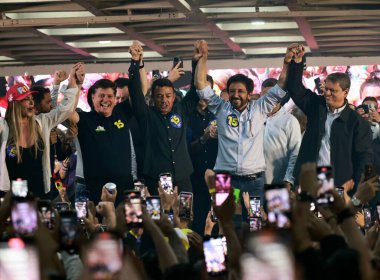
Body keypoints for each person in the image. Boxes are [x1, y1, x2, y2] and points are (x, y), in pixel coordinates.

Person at [194, 40, 289, 200]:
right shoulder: (221, 108)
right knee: (225, 220)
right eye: (232, 91)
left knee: (254, 222)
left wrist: (287, 63)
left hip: (254, 180)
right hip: (224, 179)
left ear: (250, 94)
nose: (235, 95)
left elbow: (281, 87)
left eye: (240, 91)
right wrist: (203, 59)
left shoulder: (260, 108)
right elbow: (200, 85)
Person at [286, 44, 373, 188]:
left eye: (333, 91)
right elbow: (295, 89)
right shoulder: (316, 106)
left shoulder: (357, 122)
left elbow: (363, 158)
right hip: (311, 179)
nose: (327, 93)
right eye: (326, 89)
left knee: (333, 211)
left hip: (339, 183)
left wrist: (357, 191)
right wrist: (298, 63)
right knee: (309, 211)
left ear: (345, 92)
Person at [128, 41, 199, 194]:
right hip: (156, 179)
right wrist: (135, 62)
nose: (164, 100)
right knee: (158, 217)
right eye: (159, 96)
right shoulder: (146, 115)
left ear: (174, 97)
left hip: (182, 177)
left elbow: (195, 90)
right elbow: (135, 93)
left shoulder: (181, 110)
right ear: (152, 98)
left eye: (168, 96)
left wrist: (197, 63)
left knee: (185, 217)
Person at [0, 69, 79, 198]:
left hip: (41, 191)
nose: (31, 102)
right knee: (23, 218)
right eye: (25, 99)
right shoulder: (4, 127)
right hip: (14, 193)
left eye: (31, 98)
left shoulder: (42, 122)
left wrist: (72, 83)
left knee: (44, 218)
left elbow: (66, 109)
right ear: (15, 104)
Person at [70, 78, 137, 203]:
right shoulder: (85, 119)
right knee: (96, 223)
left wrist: (139, 64)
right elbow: (68, 112)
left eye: (110, 96)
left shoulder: (122, 112)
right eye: (101, 95)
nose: (106, 100)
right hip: (95, 188)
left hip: (125, 186)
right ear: (92, 97)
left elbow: (140, 93)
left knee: (128, 223)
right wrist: (78, 83)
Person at [187, 75, 218, 234]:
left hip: (220, 177)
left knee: (220, 215)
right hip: (195, 176)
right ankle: (199, 255)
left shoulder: (219, 114)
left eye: (208, 90)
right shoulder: (187, 117)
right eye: (200, 91)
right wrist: (204, 137)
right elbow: (186, 150)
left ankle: (221, 255)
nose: (204, 95)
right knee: (197, 217)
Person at [262, 78, 301, 189]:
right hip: (254, 185)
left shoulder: (290, 121)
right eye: (265, 95)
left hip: (278, 184)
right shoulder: (255, 118)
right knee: (252, 207)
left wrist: (288, 180)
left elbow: (295, 153)